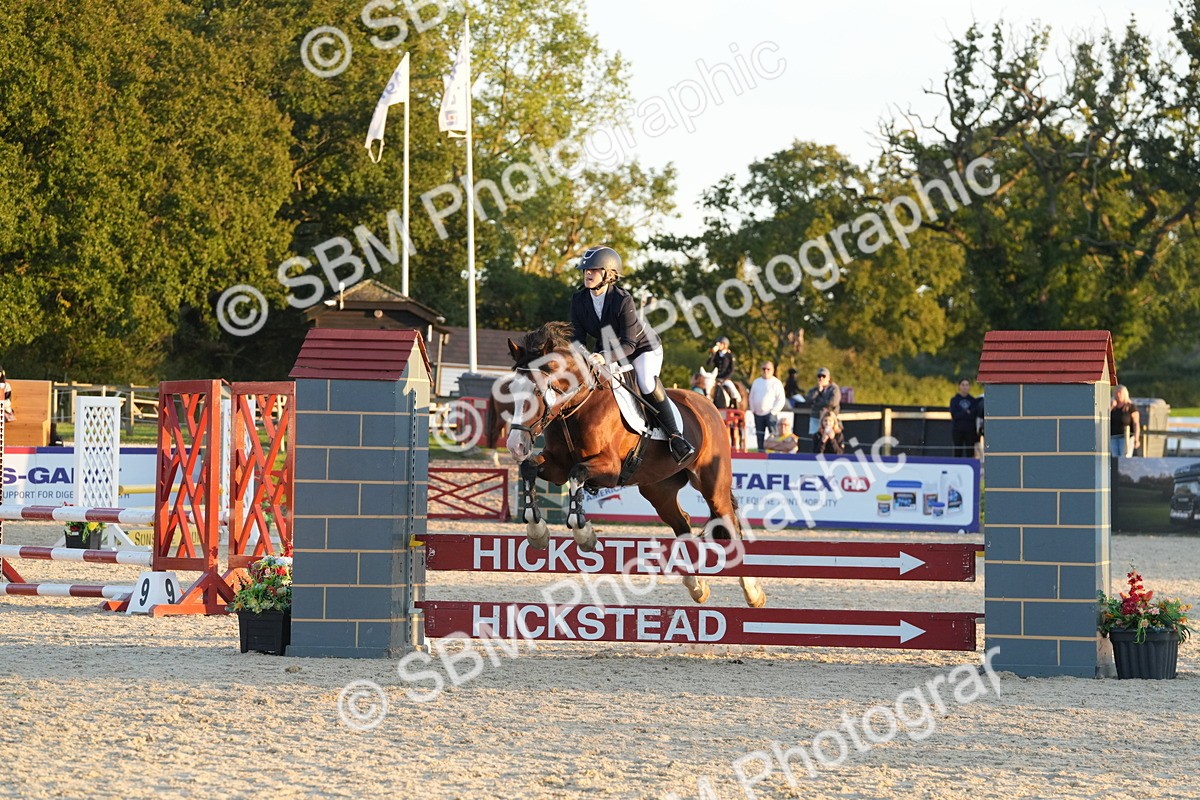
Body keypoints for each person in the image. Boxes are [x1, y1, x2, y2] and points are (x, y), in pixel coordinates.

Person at [569, 246, 695, 463]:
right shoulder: (579, 300)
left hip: (643, 348)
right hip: (607, 348)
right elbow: (577, 339)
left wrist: (604, 358)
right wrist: (583, 356)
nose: (587, 273)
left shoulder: (622, 299)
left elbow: (629, 343)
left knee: (644, 382)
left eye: (594, 269)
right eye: (585, 270)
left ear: (609, 274)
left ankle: (676, 436)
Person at [748, 361, 787, 452]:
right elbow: (751, 396)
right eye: (764, 369)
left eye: (768, 369)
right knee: (759, 435)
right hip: (758, 414)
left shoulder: (776, 383)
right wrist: (753, 409)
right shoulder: (756, 382)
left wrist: (773, 411)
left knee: (773, 435)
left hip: (770, 414)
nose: (766, 371)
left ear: (772, 370)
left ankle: (774, 453)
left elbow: (781, 399)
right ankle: (760, 453)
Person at [705, 337, 742, 406]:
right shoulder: (716, 354)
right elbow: (708, 364)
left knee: (733, 390)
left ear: (725, 345)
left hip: (725, 379)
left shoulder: (730, 356)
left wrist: (724, 379)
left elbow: (731, 370)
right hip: (715, 378)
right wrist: (712, 353)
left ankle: (736, 405)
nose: (718, 345)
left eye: (720, 344)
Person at [949, 378, 980, 458]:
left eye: (967, 385)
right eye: (963, 385)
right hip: (957, 430)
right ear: (959, 386)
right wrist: (966, 412)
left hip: (970, 431)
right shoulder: (954, 400)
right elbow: (954, 415)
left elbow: (973, 415)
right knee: (957, 452)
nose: (965, 387)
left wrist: (962, 413)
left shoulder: (973, 401)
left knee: (970, 452)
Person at [806, 367, 840, 435]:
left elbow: (833, 402)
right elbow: (808, 400)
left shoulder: (834, 389)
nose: (821, 378)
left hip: (829, 419)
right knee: (814, 437)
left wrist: (820, 404)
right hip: (815, 417)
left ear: (829, 378)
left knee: (829, 438)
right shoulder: (814, 389)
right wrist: (818, 391)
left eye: (824, 376)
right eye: (819, 376)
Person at [1110, 385, 1141, 458]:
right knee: (1115, 458)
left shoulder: (1131, 407)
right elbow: (1105, 418)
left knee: (1125, 457)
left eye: (1120, 393)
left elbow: (1136, 423)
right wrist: (1111, 407)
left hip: (1126, 437)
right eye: (1116, 393)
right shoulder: (1112, 407)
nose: (1118, 395)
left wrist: (1136, 439)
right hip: (1113, 437)